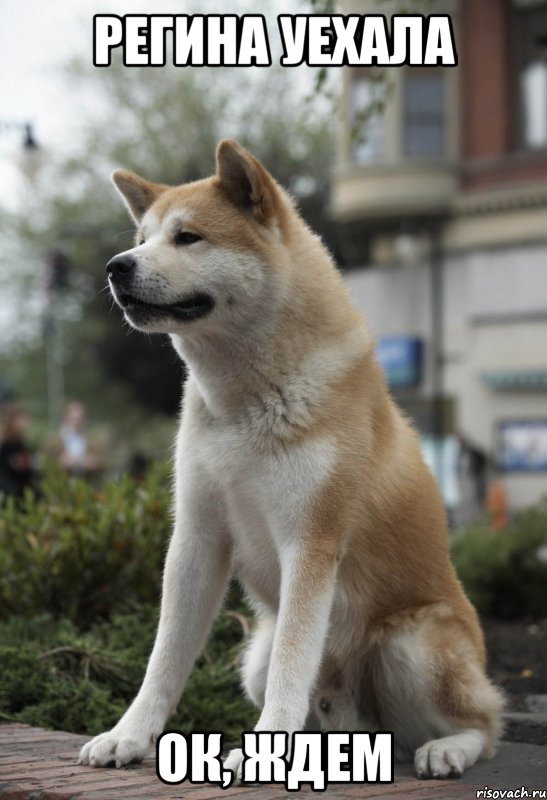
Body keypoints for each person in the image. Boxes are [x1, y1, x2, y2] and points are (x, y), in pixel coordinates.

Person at [0, 404, 39, 501]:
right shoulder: (5, 447)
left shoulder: (25, 446)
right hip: (10, 495)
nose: (24, 424)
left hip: (26, 493)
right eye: (20, 420)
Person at [57, 401, 101, 478]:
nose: (77, 422)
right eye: (73, 418)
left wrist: (93, 462)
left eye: (80, 418)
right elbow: (44, 462)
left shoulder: (93, 440)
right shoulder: (54, 441)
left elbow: (104, 463)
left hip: (86, 482)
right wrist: (60, 462)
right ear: (65, 418)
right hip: (62, 483)